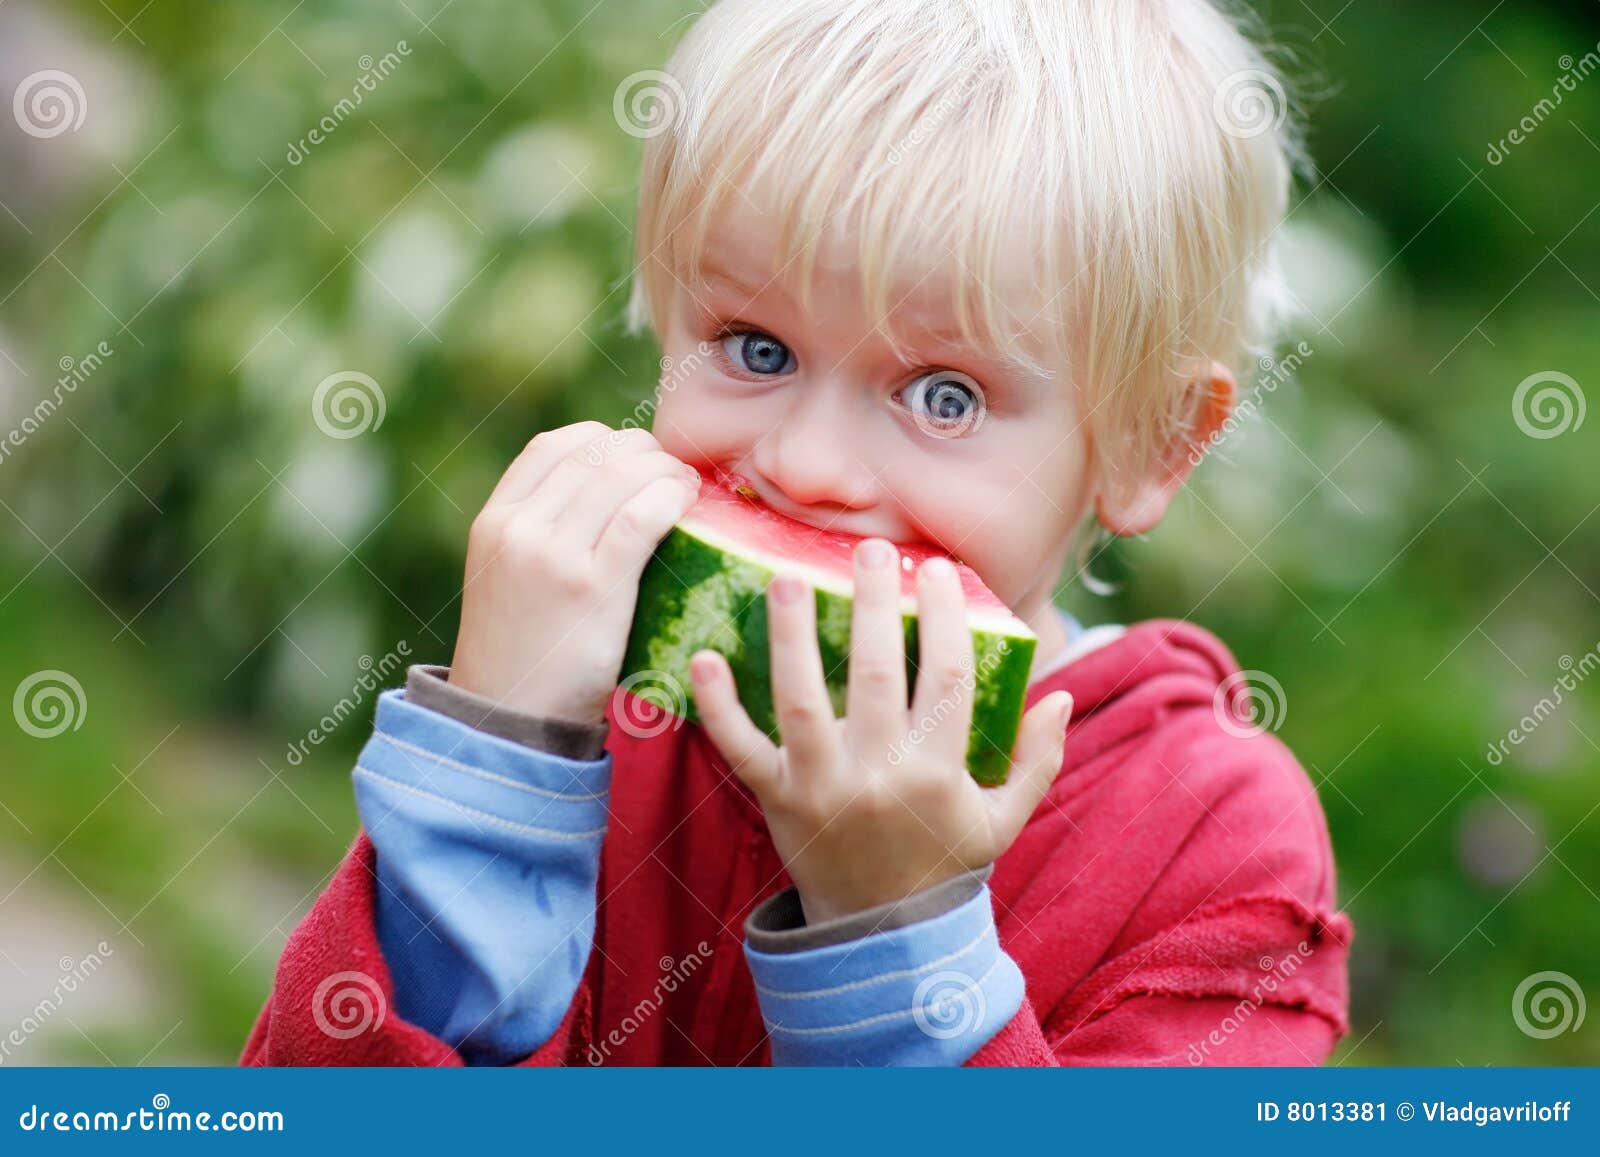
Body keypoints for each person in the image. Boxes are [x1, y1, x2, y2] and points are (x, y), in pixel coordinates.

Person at [243, 0, 1351, 1067]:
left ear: (1151, 441)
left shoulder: (1216, 848)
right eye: (756, 347)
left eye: (945, 394)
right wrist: (493, 777)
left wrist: (896, 930)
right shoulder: (596, 698)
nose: (805, 464)